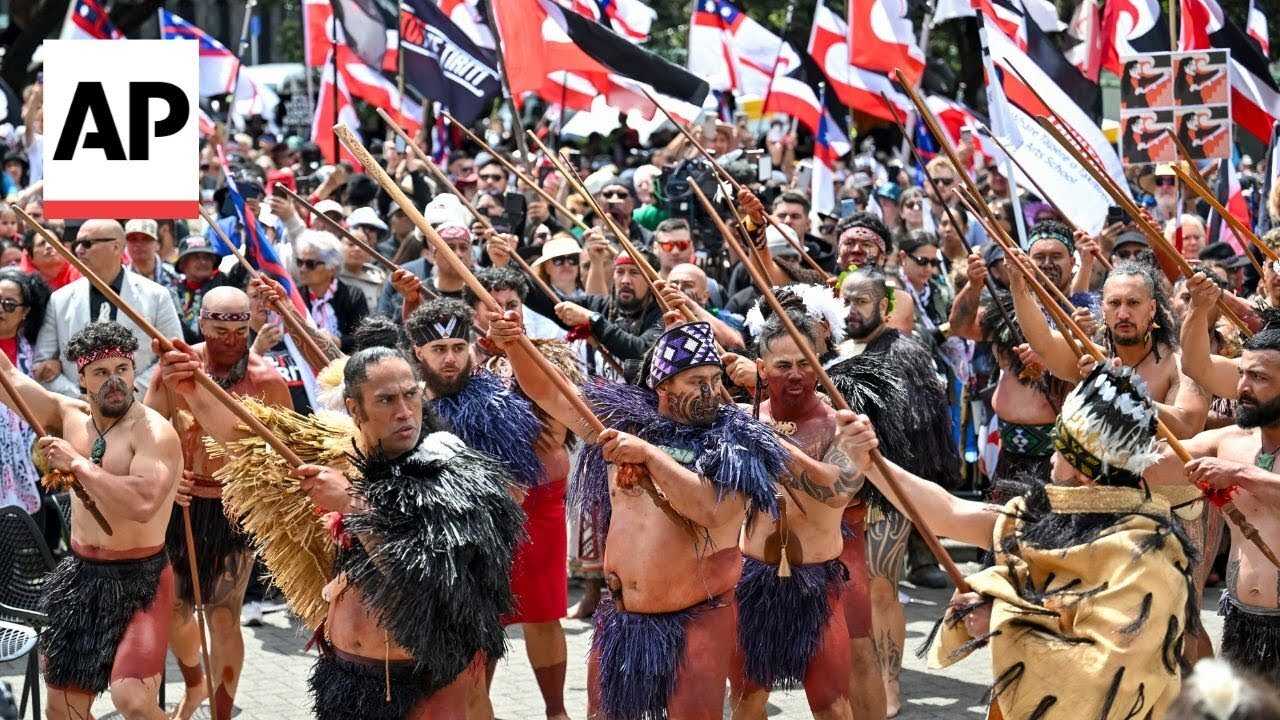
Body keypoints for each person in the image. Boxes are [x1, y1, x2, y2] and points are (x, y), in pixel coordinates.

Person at [155, 343, 525, 718]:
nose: (403, 412)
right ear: (354, 410)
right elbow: (247, 440)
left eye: (411, 394)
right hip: (347, 675)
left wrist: (351, 503)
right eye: (385, 400)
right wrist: (192, 388)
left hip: (428, 682)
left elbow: (426, 581)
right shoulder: (341, 454)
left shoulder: (452, 472)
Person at [835, 362, 1196, 719]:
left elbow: (1106, 677)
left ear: (1085, 472)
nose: (1051, 456)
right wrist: (871, 464)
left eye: (1061, 447)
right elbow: (948, 513)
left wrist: (1001, 620)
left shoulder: (1148, 550)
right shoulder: (1043, 515)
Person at [486, 315, 785, 718]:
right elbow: (552, 394)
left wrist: (649, 456)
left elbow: (713, 510)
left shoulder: (737, 440)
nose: (713, 393)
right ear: (662, 385)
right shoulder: (623, 422)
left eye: (716, 381)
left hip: (698, 617)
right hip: (622, 618)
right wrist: (515, 345)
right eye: (698, 382)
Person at [0, 321, 183, 720]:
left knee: (132, 701)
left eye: (123, 369)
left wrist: (79, 465)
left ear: (134, 372)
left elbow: (143, 502)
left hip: (142, 579)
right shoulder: (68, 414)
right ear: (81, 378)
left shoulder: (153, 432)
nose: (114, 381)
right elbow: (8, 377)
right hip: (81, 575)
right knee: (61, 709)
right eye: (101, 372)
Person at [405, 297, 571, 719]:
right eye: (438, 350)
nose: (449, 358)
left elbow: (540, 446)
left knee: (539, 615)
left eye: (458, 348)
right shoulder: (407, 409)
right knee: (472, 644)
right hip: (447, 544)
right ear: (418, 353)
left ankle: (556, 711)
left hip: (511, 529)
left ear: (472, 348)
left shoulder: (500, 400)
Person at [727, 310, 886, 720]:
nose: (795, 374)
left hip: (817, 583)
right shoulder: (742, 421)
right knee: (746, 700)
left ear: (819, 361)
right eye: (783, 366)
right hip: (753, 579)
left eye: (805, 363)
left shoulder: (842, 427)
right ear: (762, 368)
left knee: (832, 706)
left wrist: (775, 444)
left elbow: (836, 493)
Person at [143, 287, 293, 720]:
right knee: (173, 610)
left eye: (240, 330)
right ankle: (195, 685)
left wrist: (248, 488)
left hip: (233, 510)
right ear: (202, 324)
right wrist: (169, 481)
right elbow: (148, 433)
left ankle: (221, 716)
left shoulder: (266, 380)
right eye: (220, 330)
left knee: (223, 617)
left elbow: (281, 455)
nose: (230, 340)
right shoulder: (174, 369)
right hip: (181, 508)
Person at [829, 267, 959, 717]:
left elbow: (923, 431)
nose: (852, 310)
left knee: (883, 587)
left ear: (882, 306)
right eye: (846, 300)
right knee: (845, 589)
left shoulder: (906, 352)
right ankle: (852, 676)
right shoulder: (834, 350)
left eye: (861, 301)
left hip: (885, 492)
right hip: (840, 494)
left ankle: (888, 682)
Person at [1146, 310, 1280, 691]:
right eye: (1242, 375)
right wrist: (1121, 406)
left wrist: (1239, 475)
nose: (1243, 388)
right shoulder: (1229, 443)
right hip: (1242, 624)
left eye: (1259, 378)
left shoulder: (1233, 462)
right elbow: (1157, 465)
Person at [34, 219, 183, 398]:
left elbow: (173, 356)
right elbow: (42, 365)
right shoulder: (60, 299)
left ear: (116, 246)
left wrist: (127, 394)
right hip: (79, 412)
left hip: (141, 410)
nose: (79, 250)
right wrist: (81, 399)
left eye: (87, 243)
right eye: (77, 244)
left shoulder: (156, 295)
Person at [0, 268, 50, 519]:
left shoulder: (36, 354)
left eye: (9, 305)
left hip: (30, 462)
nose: (0, 310)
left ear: (25, 312)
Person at [295, 229, 369, 354]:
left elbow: (365, 337)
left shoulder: (353, 295)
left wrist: (338, 342)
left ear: (332, 268)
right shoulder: (296, 297)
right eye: (300, 262)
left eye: (310, 264)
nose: (302, 269)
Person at [174, 235, 234, 344]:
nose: (202, 262)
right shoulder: (173, 294)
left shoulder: (223, 283)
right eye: (195, 257)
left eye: (206, 257)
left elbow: (242, 270)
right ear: (183, 264)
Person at [339, 207, 389, 307]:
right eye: (351, 244)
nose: (357, 249)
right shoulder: (331, 276)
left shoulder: (379, 277)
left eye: (363, 244)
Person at [19, 221, 80, 291]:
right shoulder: (25, 285)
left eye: (53, 242)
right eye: (42, 244)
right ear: (30, 257)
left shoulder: (81, 275)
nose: (49, 246)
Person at [125, 219, 179, 291]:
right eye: (133, 239)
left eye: (146, 239)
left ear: (158, 244)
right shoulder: (121, 277)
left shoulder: (175, 277)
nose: (139, 244)